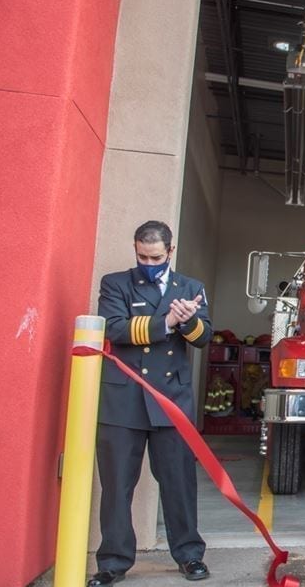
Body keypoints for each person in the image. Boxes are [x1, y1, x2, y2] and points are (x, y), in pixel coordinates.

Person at [89, 221, 211, 586]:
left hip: (170, 400)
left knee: (178, 484)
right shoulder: (116, 283)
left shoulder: (191, 287)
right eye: (142, 255)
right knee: (116, 486)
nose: (148, 262)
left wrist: (188, 321)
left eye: (156, 256)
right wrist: (167, 321)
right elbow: (115, 328)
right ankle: (112, 561)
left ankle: (189, 556)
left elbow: (204, 338)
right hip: (123, 399)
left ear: (170, 251)